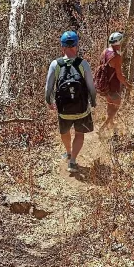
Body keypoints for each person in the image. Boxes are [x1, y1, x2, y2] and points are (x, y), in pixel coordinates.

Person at [45, 31, 96, 172]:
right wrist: (93, 100)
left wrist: (48, 101)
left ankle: (68, 152)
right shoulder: (83, 64)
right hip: (82, 109)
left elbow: (48, 87)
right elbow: (91, 86)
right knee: (79, 134)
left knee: (65, 132)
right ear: (76, 45)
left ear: (62, 46)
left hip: (64, 110)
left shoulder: (55, 64)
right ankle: (73, 161)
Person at [97, 31, 132, 134]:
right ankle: (102, 128)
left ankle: (112, 127)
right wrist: (128, 85)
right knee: (115, 108)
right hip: (113, 86)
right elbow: (119, 76)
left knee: (110, 106)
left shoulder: (105, 52)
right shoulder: (117, 56)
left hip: (104, 85)